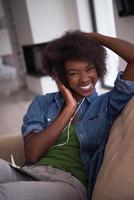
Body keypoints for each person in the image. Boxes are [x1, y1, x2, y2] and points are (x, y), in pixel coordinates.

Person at [0, 30, 134, 200]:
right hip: (30, 173)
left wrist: (95, 37)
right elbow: (33, 153)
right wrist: (68, 108)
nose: (85, 79)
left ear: (98, 67)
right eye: (74, 73)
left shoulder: (105, 106)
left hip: (68, 184)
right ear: (61, 76)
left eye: (89, 68)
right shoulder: (42, 103)